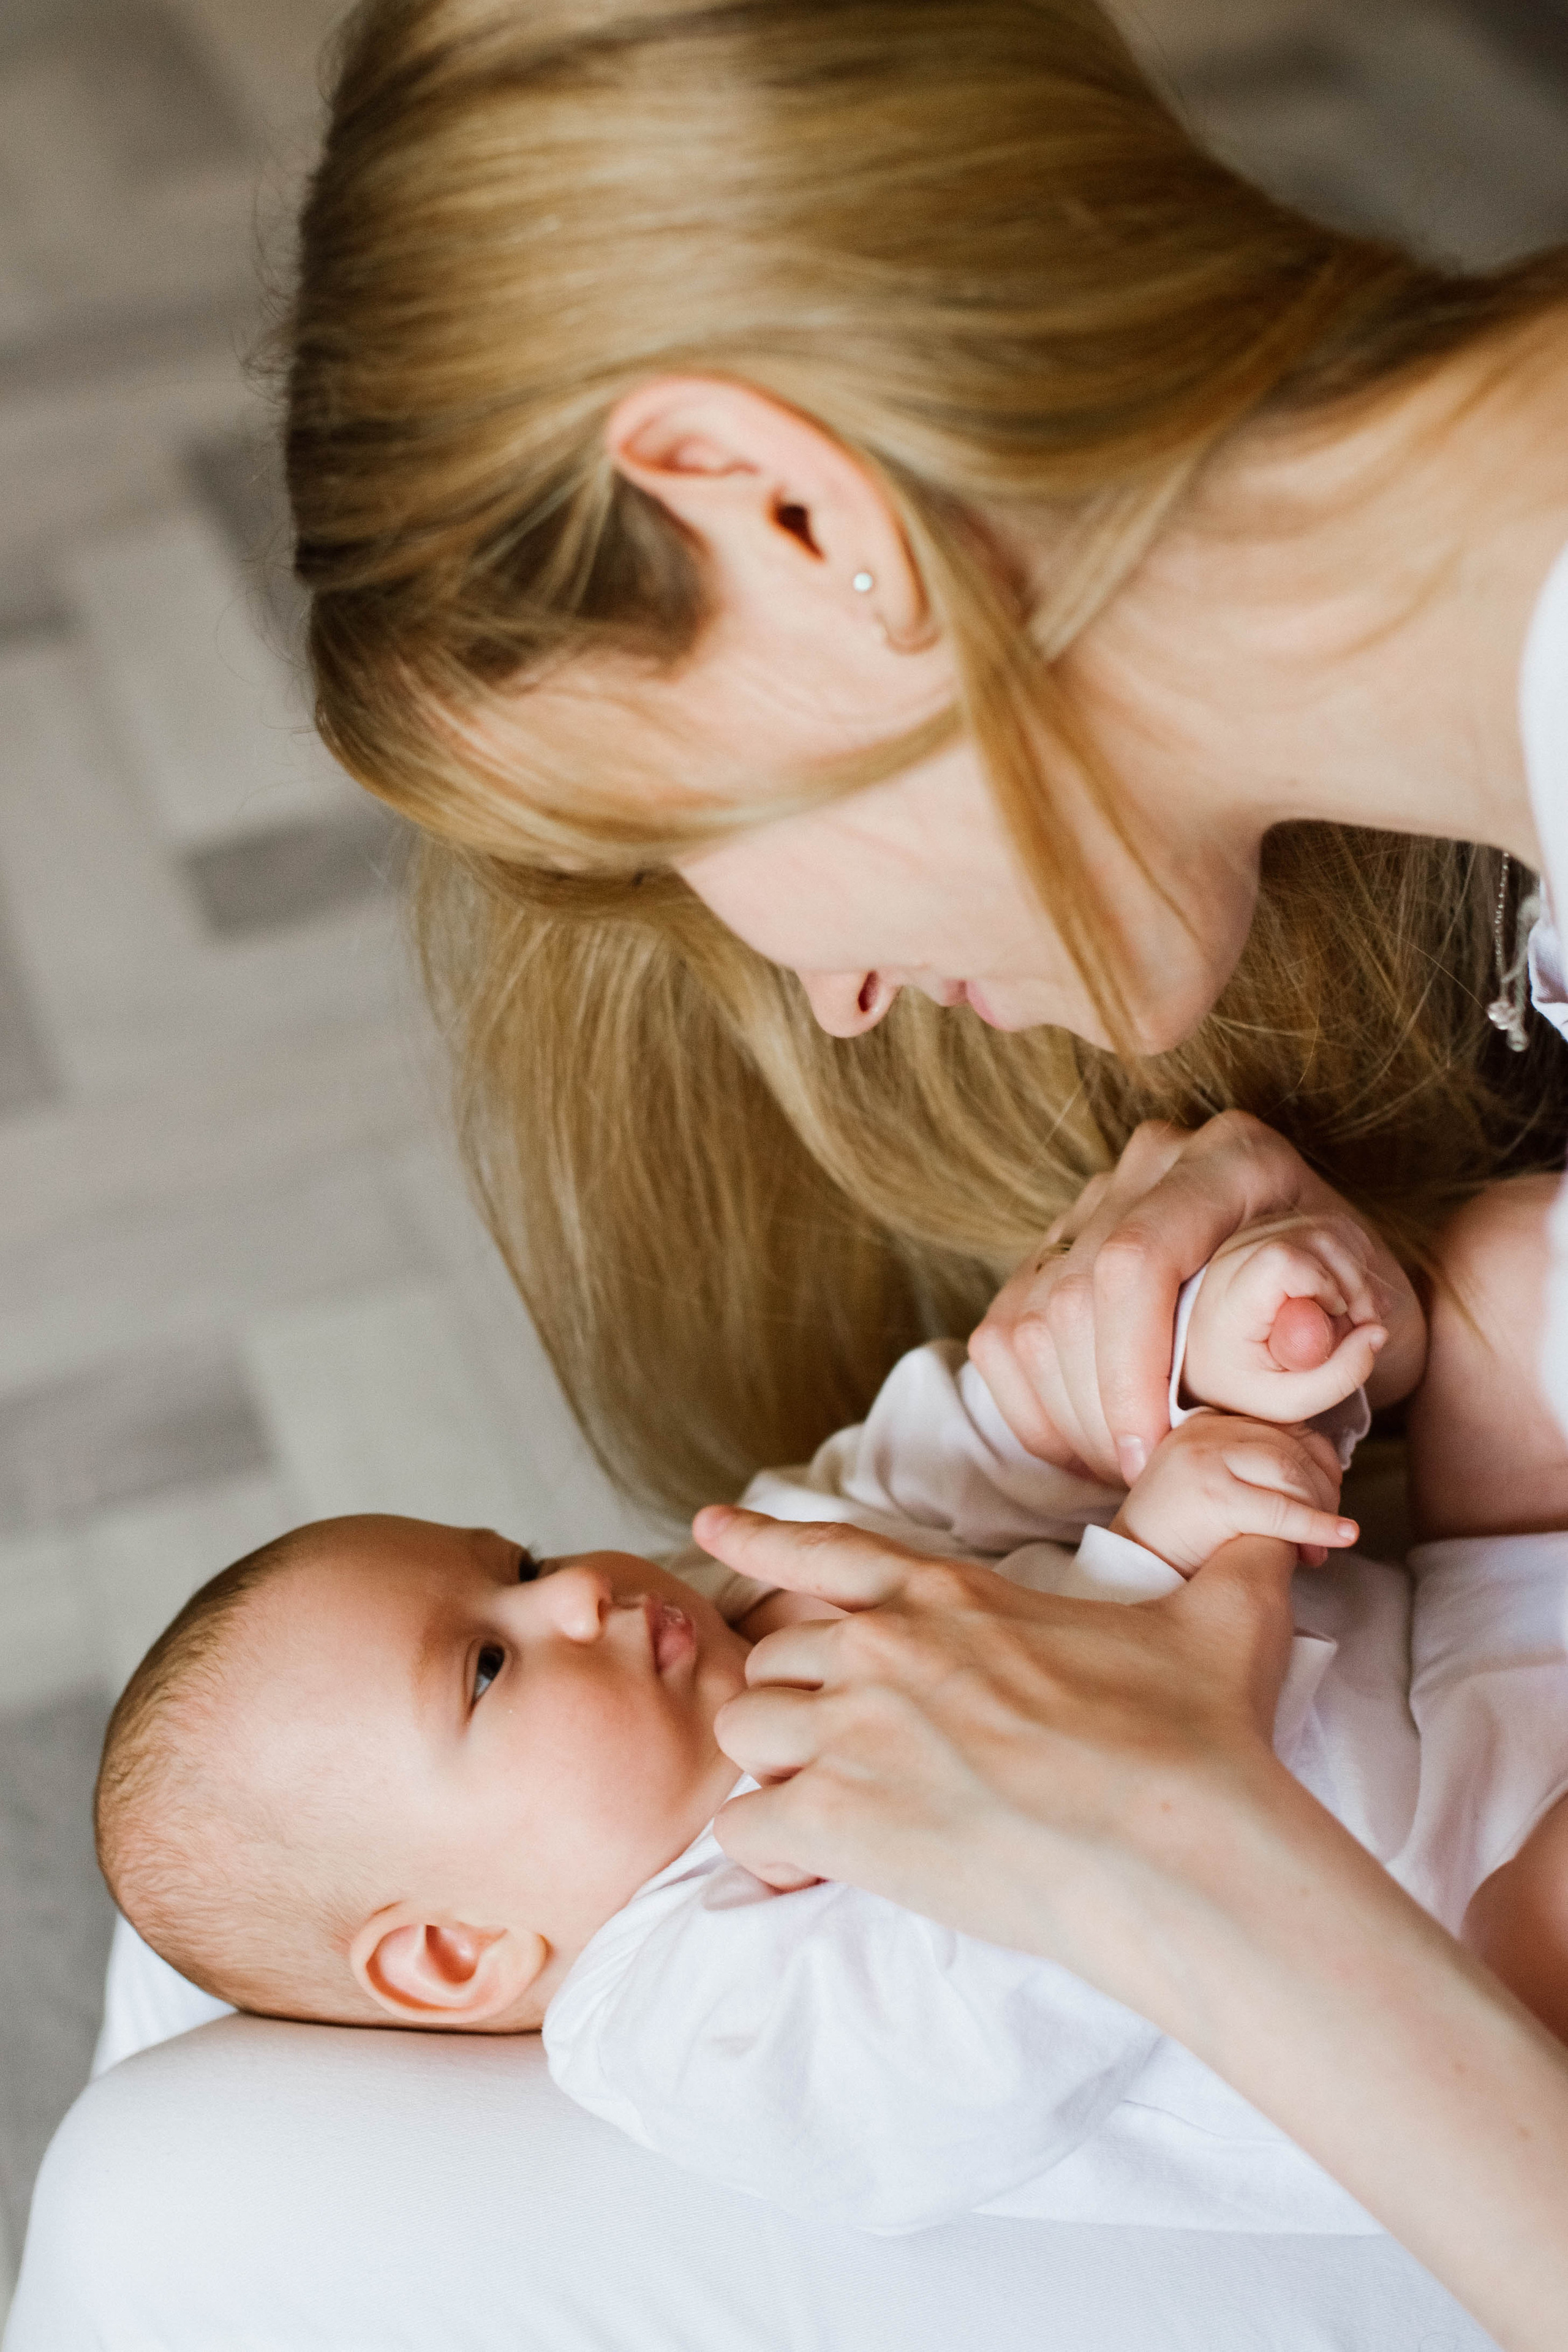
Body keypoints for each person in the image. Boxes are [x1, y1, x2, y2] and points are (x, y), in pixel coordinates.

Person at [91, 1202, 1568, 2269]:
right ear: (453, 1955)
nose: (580, 1601)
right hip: (1451, 1943)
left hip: (1472, 1642)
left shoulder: (747, 1573)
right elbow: (1019, 1985)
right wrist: (1155, 1565)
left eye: (521, 1562)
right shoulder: (687, 2005)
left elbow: (967, 1447)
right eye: (487, 1666)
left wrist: (1214, 1345)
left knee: (1508, 1274)